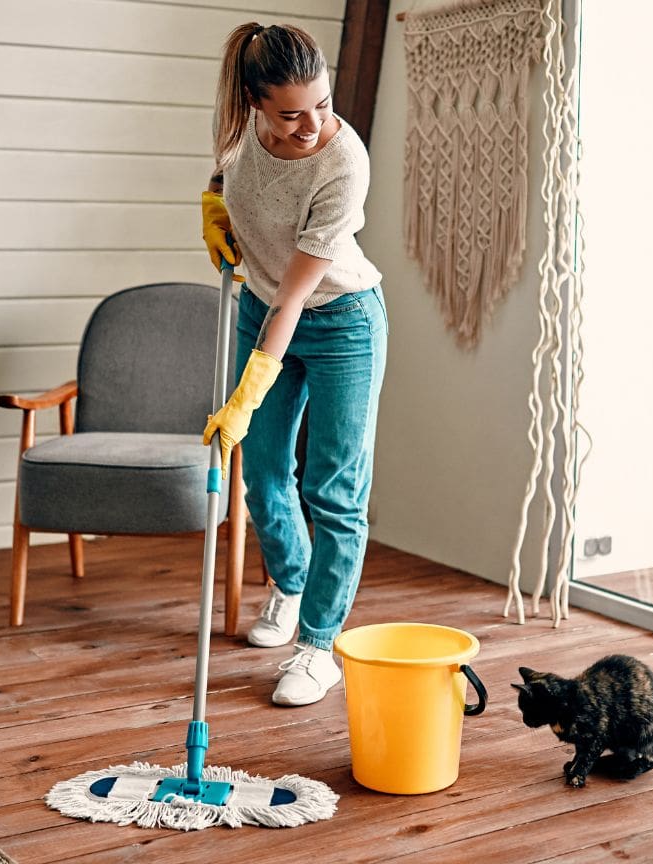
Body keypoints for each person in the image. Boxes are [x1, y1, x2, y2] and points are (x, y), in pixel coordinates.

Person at [200, 22, 387, 707]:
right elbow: (226, 176)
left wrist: (246, 393)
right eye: (291, 113)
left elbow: (296, 297)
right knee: (267, 473)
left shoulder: (344, 163)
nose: (312, 124)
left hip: (340, 320)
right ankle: (291, 582)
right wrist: (212, 207)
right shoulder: (236, 128)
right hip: (260, 306)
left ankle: (318, 645)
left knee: (334, 491)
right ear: (255, 103)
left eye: (323, 103)